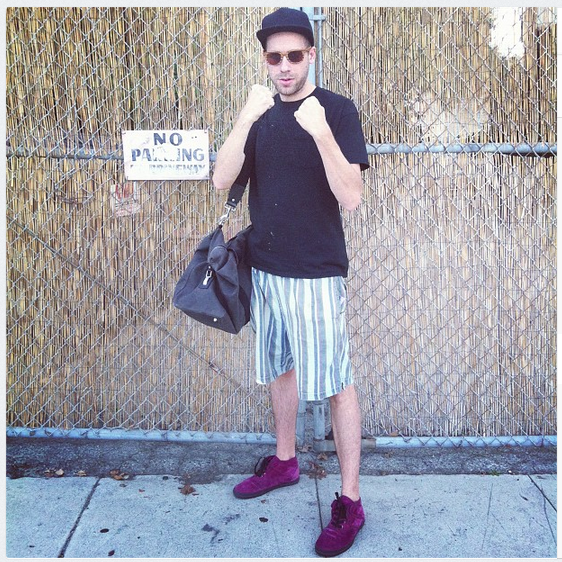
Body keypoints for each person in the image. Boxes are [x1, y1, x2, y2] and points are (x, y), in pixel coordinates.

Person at [212, 7, 369, 557]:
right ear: (264, 60)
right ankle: (284, 462)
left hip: (316, 272)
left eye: (294, 56)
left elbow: (351, 196)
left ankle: (350, 502)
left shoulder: (337, 111)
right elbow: (222, 179)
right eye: (274, 57)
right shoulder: (259, 114)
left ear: (311, 56)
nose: (284, 66)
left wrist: (320, 130)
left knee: (335, 382)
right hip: (265, 268)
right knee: (280, 367)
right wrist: (244, 117)